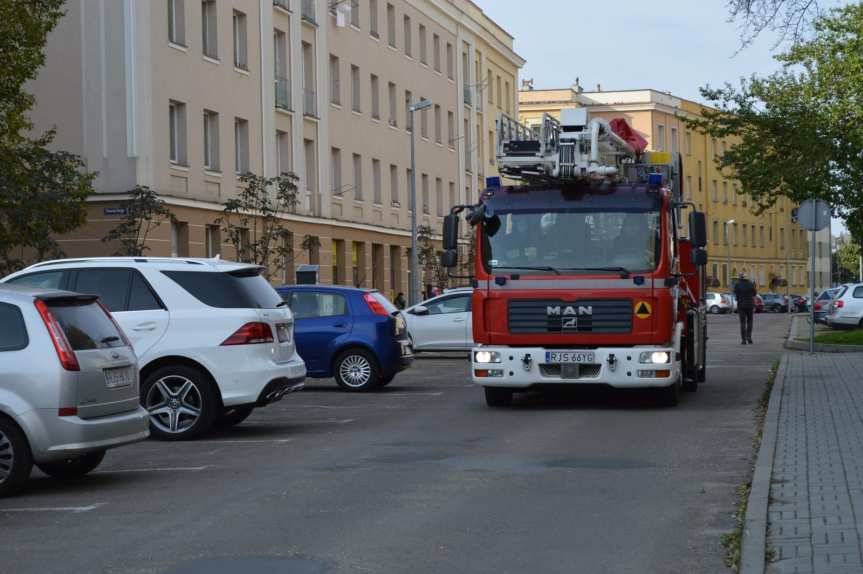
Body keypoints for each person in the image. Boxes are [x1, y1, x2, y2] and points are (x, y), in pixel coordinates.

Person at [734, 272, 757, 345]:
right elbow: (754, 293)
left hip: (741, 305)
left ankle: (743, 340)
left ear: (740, 278)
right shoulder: (750, 284)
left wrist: (739, 299)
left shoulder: (737, 284)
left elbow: (736, 294)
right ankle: (749, 337)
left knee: (742, 322)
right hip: (750, 305)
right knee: (750, 321)